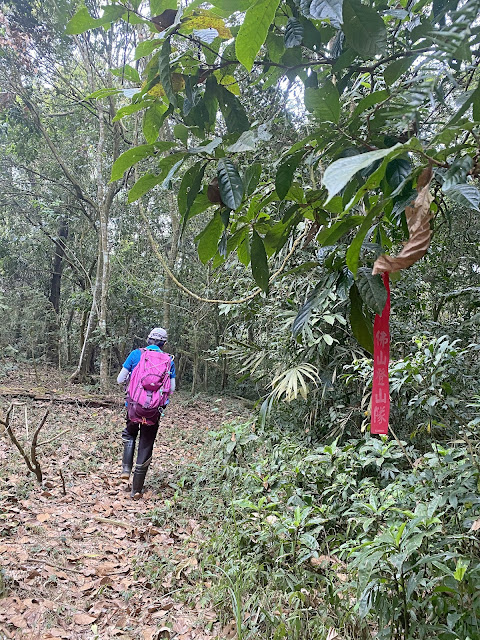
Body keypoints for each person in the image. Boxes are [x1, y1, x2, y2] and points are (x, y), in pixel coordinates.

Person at [117, 327, 176, 499]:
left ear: (148, 339)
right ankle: (136, 490)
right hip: (154, 411)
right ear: (164, 343)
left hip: (135, 407)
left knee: (129, 434)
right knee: (146, 444)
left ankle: (126, 470)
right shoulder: (168, 360)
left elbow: (120, 379)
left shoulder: (136, 354)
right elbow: (171, 389)